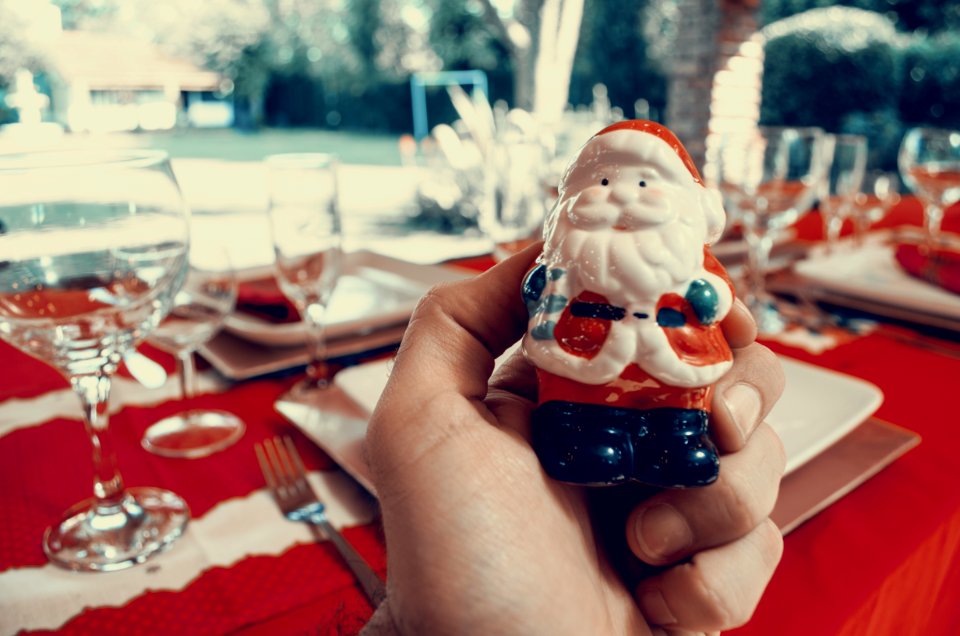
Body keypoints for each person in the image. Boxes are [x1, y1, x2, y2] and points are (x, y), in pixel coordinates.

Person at [362, 241, 786, 635]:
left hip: (676, 378)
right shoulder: (570, 256)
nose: (627, 203)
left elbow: (713, 294)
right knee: (579, 425)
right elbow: (536, 288)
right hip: (580, 380)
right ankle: (581, 444)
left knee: (676, 435)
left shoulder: (686, 254)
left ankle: (674, 443)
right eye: (606, 185)